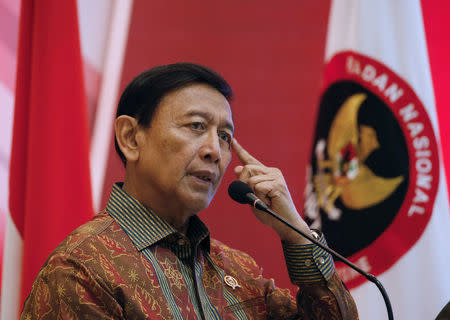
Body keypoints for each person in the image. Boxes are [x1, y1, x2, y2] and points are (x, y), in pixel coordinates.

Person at [21, 63, 358, 319]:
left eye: (225, 136)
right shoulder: (82, 269)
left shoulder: (237, 271)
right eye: (196, 126)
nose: (214, 150)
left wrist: (297, 234)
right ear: (131, 138)